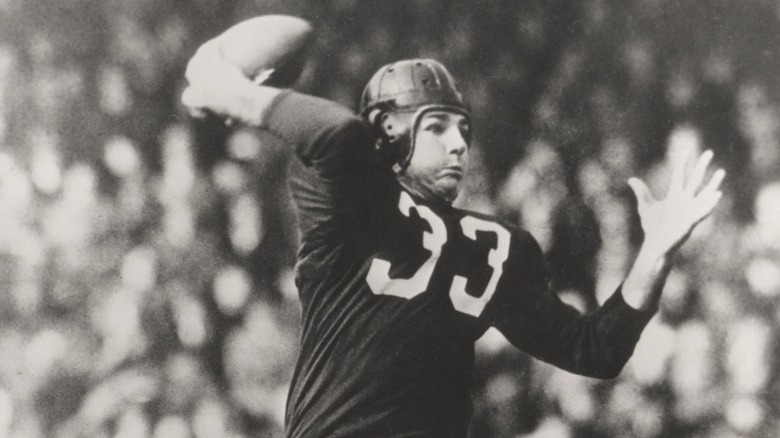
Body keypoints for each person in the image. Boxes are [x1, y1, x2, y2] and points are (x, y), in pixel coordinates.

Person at [181, 20, 725, 438]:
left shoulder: (497, 245)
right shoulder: (350, 194)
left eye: (463, 128)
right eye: (437, 126)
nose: (459, 143)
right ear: (389, 133)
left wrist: (655, 252)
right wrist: (228, 91)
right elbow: (340, 136)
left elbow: (594, 350)